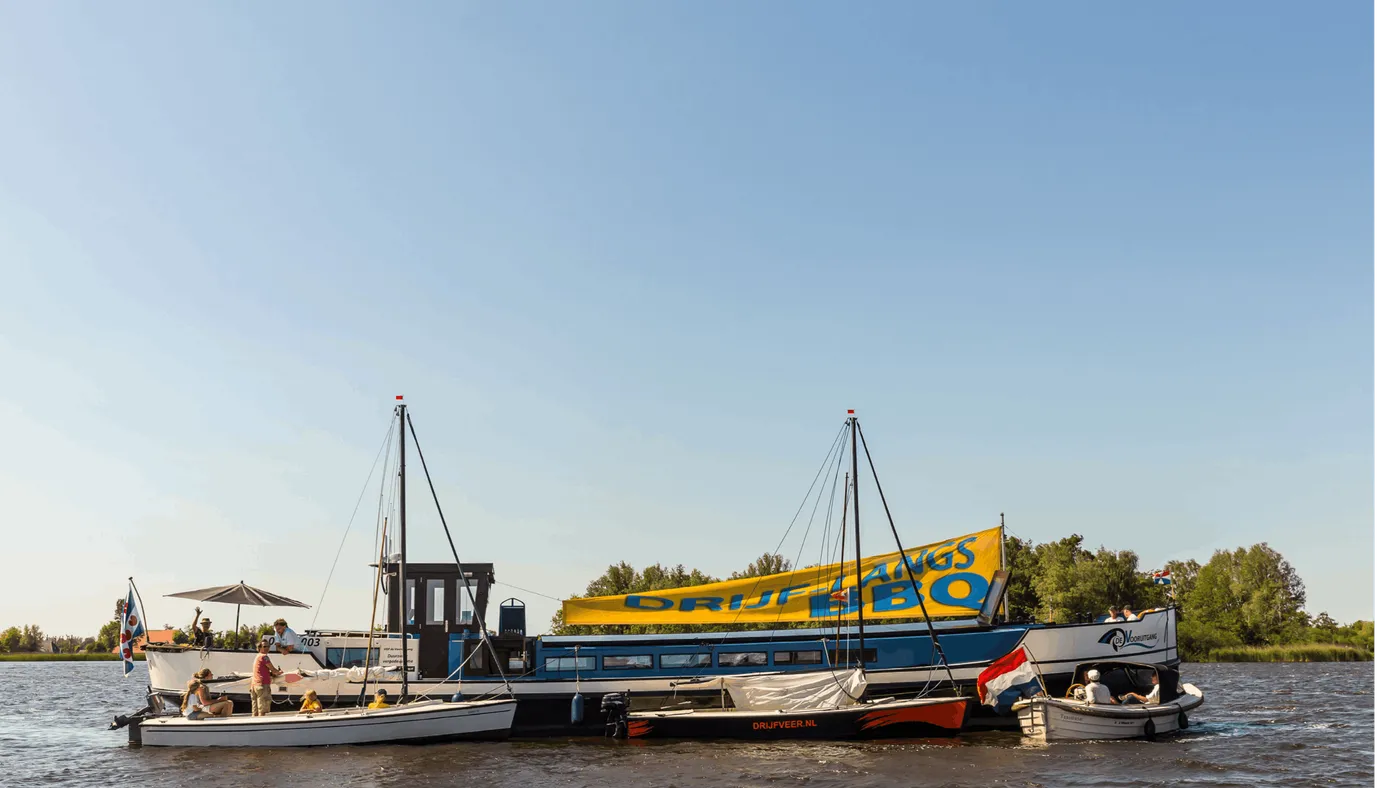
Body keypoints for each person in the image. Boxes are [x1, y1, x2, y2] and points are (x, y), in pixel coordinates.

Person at [250, 640, 283, 716]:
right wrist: (279, 672)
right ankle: (261, 725)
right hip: (262, 685)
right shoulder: (264, 657)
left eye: (268, 646)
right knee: (263, 709)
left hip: (254, 685)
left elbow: (261, 669)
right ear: (260, 647)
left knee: (255, 710)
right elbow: (274, 670)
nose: (267, 648)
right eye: (264, 646)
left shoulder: (257, 656)